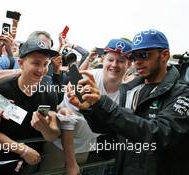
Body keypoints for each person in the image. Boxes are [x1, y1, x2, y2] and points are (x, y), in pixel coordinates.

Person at [68, 29, 189, 175]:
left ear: (164, 55)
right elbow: (111, 129)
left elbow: (158, 134)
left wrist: (102, 102)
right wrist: (89, 108)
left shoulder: (183, 93)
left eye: (144, 55)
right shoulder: (131, 89)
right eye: (134, 56)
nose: (137, 61)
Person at [41, 38, 132, 175]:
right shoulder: (85, 79)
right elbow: (67, 121)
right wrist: (71, 163)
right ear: (103, 59)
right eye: (111, 59)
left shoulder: (128, 93)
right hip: (59, 146)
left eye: (121, 60)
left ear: (129, 64)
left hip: (84, 147)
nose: (115, 65)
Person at [0, 38, 61, 174]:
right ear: (21, 63)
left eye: (45, 64)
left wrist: (45, 128)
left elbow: (53, 135)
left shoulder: (50, 93)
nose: (41, 69)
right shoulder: (2, 90)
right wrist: (22, 150)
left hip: (32, 163)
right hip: (1, 163)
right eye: (36, 63)